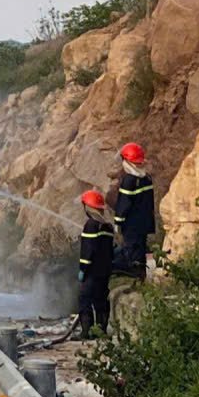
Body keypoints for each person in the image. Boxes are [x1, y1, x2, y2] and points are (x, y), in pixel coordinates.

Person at [111, 142, 154, 281]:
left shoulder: (129, 181)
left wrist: (118, 222)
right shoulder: (146, 179)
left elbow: (124, 204)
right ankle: (142, 273)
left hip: (132, 226)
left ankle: (136, 275)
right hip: (145, 223)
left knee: (132, 251)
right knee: (140, 248)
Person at [76, 189, 114, 339]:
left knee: (84, 300)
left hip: (92, 272)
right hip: (104, 272)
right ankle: (101, 332)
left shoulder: (91, 225)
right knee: (100, 301)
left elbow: (88, 250)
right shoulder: (107, 226)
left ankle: (86, 332)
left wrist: (83, 269)